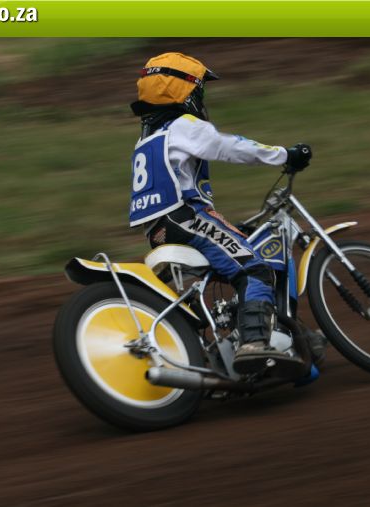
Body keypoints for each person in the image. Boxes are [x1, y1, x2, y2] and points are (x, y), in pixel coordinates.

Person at [128, 52, 313, 376]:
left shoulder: (147, 138)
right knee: (254, 270)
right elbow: (231, 147)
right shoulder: (183, 126)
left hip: (161, 229)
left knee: (239, 248)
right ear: (181, 90)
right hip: (187, 218)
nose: (201, 97)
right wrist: (285, 154)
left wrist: (226, 227)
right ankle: (254, 344)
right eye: (198, 89)